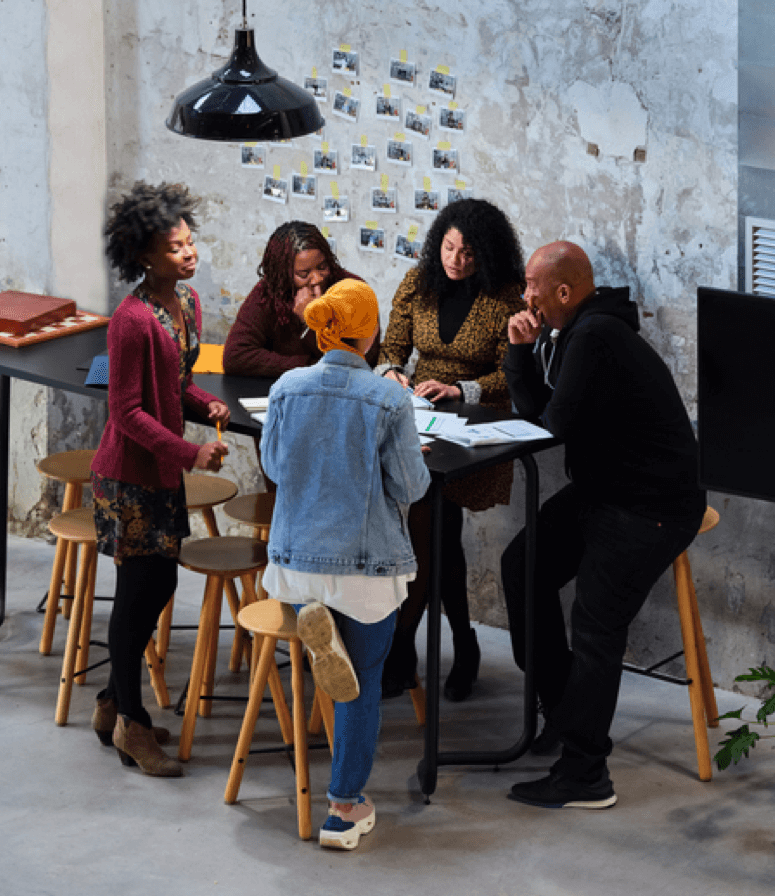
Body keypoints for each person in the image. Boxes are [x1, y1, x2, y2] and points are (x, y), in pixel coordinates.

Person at [501, 241, 705, 809]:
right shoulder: (577, 333)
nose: (526, 297)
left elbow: (554, 422)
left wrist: (528, 354)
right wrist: (521, 351)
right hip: (607, 492)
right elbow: (541, 412)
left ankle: (585, 775)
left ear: (564, 292)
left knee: (594, 623)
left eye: (533, 288)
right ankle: (567, 716)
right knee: (522, 567)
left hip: (653, 504)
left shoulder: (594, 336)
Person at [260, 278, 431, 849]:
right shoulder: (389, 399)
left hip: (292, 566)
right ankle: (343, 808)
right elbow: (411, 486)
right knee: (361, 681)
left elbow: (277, 469)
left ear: (319, 328)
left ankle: (311, 620)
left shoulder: (286, 388)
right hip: (362, 572)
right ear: (373, 333)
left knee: (336, 648)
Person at [89, 181, 230, 777]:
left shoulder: (187, 306)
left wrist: (206, 406)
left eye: (190, 242)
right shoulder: (130, 320)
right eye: (175, 248)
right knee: (139, 592)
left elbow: (173, 390)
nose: (188, 254)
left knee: (159, 585)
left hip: (161, 473)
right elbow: (127, 412)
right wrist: (189, 454)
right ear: (145, 256)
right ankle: (132, 726)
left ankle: (110, 705)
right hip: (129, 477)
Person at [376, 198, 525, 701]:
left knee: (433, 530)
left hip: (475, 430)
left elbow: (515, 376)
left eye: (468, 254)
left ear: (488, 256)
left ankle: (407, 648)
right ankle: (459, 645)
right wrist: (394, 373)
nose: (455, 261)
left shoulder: (507, 297)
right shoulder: (419, 283)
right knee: (436, 533)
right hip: (419, 422)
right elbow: (392, 349)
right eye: (449, 247)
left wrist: (461, 390)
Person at [223, 221, 379, 377]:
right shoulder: (269, 292)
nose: (317, 279)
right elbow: (235, 356)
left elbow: (365, 357)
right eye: (304, 274)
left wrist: (313, 320)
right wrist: (309, 366)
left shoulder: (351, 289)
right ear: (284, 274)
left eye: (322, 267)